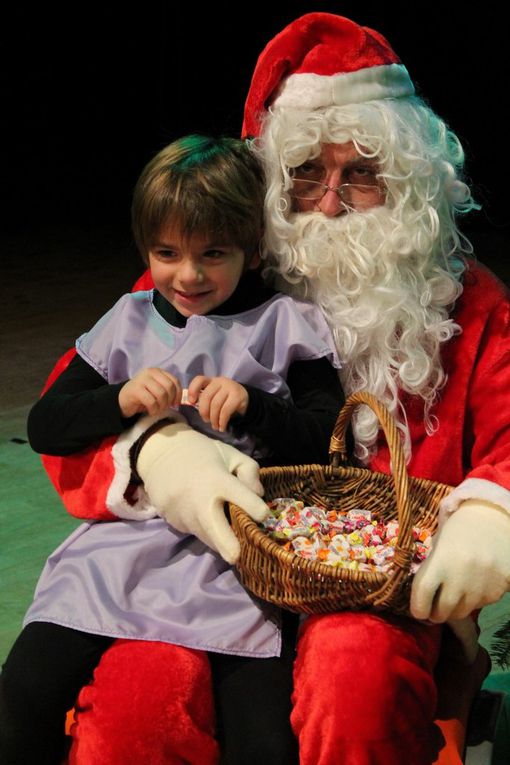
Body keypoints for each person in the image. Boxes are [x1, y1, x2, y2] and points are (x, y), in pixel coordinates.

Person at [9, 12, 510, 765]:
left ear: (409, 182)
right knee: (134, 704)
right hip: (208, 573)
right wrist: (157, 451)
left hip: (377, 591)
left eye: (363, 173)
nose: (332, 201)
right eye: (307, 171)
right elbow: (67, 411)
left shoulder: (470, 304)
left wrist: (490, 512)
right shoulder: (218, 272)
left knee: (353, 680)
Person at [0, 134, 344, 765]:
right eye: (166, 253)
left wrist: (252, 404)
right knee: (22, 693)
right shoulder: (128, 320)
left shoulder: (283, 322)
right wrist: (121, 398)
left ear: (252, 247)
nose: (187, 275)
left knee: (265, 740)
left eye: (213, 254)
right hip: (121, 552)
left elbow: (330, 435)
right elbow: (49, 424)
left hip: (241, 557)